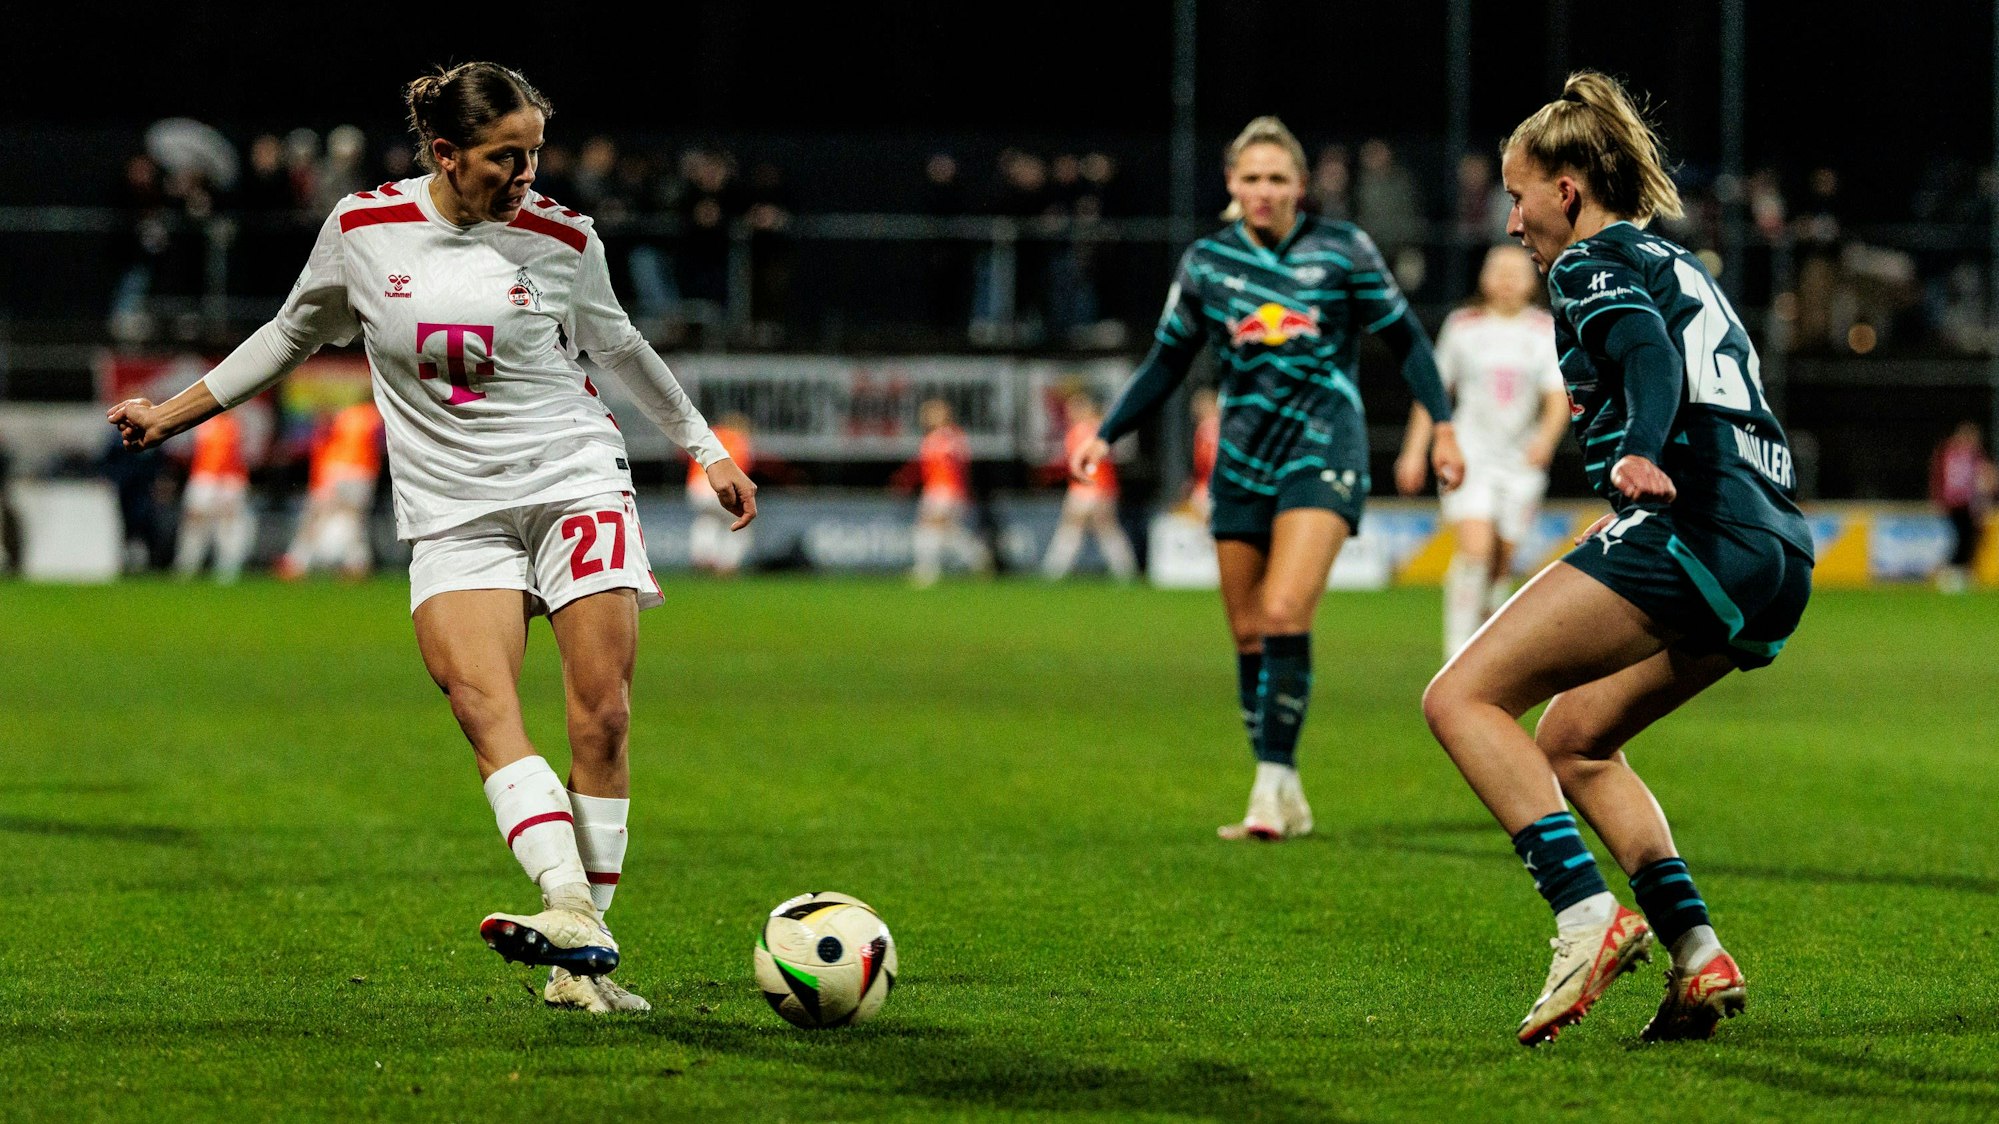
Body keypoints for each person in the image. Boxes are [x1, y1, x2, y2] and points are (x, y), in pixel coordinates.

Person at [107, 62, 757, 1016]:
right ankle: (570, 911)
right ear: (446, 155)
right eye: (507, 156)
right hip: (451, 509)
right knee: (480, 706)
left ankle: (584, 957)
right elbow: (290, 334)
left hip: (568, 478)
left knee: (602, 717)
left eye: (536, 153)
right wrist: (174, 413)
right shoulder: (363, 232)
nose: (529, 173)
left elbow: (620, 347)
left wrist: (706, 451)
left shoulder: (564, 238)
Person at [1421, 73, 1816, 1047]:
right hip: (1777, 548)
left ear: (1568, 187)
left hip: (1693, 522)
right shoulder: (1673, 259)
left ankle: (1582, 913)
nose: (1509, 220)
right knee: (1575, 741)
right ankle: (1695, 954)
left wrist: (1640, 442)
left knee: (1459, 699)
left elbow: (1642, 354)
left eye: (1517, 196)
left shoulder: (1589, 261)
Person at [1072, 116, 1463, 842]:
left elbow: (1405, 338)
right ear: (1230, 183)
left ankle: (1269, 785)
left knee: (1284, 611)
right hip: (1242, 458)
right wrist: (1106, 431)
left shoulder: (1342, 249)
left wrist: (1439, 422)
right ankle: (1282, 786)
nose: (1263, 189)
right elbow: (1166, 361)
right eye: (1250, 177)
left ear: (1301, 186)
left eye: (1277, 177)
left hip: (1323, 446)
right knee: (1249, 633)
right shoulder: (1207, 264)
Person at [1396, 244, 1571, 658]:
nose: (1508, 280)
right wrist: (1413, 451)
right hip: (1470, 455)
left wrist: (1545, 439)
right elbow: (1434, 392)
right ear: (1484, 278)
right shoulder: (1463, 326)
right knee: (1475, 550)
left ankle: (1488, 625)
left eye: (1517, 271)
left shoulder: (1544, 329)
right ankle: (1458, 651)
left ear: (1532, 281)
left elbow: (1556, 395)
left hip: (1520, 462)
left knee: (1500, 562)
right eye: (1499, 271)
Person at [276, 398, 385, 580]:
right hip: (362, 475)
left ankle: (296, 563)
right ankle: (357, 565)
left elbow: (325, 435)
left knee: (315, 518)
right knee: (355, 522)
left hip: (337, 471)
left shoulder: (346, 414)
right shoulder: (376, 416)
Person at [1041, 392, 1136, 581]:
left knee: (1071, 530)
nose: (1071, 413)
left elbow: (1077, 464)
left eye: (1075, 408)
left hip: (1085, 489)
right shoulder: (1103, 430)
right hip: (1103, 489)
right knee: (1107, 531)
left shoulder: (1082, 430)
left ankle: (1054, 572)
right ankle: (1126, 572)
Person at [903, 397, 992, 586]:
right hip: (936, 489)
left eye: (932, 413)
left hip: (946, 490)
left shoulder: (948, 437)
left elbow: (953, 467)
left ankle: (927, 571)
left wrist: (953, 494)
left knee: (932, 528)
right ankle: (977, 557)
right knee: (942, 532)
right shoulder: (936, 437)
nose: (926, 417)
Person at [172, 408, 257, 583]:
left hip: (228, 481)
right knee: (195, 526)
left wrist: (237, 484)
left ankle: (227, 571)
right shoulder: (204, 423)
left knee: (227, 527)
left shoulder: (235, 425)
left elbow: (237, 459)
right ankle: (186, 567)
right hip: (204, 478)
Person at [1929, 420, 1995, 592]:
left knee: (1968, 538)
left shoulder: (1974, 456)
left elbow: (1984, 478)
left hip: (1969, 503)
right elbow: (1940, 476)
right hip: (1954, 502)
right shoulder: (1948, 453)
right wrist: (1939, 499)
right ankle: (1951, 573)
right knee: (1962, 537)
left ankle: (1960, 573)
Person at [688, 412, 755, 575]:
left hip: (696, 485)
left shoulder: (712, 435)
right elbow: (741, 469)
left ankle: (702, 557)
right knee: (740, 523)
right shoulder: (739, 439)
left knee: (707, 520)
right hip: (720, 486)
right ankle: (727, 564)